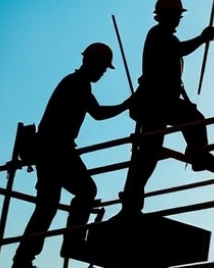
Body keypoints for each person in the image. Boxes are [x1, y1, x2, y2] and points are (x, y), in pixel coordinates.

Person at [12, 43, 130, 268]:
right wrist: (126, 105)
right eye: (102, 68)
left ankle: (23, 259)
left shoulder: (76, 83)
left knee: (47, 207)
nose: (102, 72)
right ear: (90, 62)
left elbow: (95, 111)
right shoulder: (77, 85)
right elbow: (97, 113)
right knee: (86, 191)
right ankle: (73, 241)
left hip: (49, 150)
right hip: (56, 149)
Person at [118, 0, 214, 218]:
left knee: (152, 151)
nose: (179, 19)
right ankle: (198, 156)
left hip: (159, 101)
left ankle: (133, 199)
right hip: (155, 102)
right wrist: (202, 38)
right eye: (176, 15)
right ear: (167, 16)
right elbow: (179, 50)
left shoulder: (164, 36)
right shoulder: (159, 34)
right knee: (188, 124)